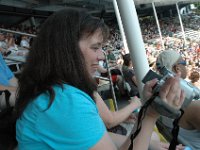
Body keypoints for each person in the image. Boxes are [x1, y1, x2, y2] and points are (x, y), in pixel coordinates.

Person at [15, 8, 184, 150]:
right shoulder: (65, 100)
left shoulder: (55, 92)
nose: (102, 55)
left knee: (153, 138)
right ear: (67, 50)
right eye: (95, 47)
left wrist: (151, 144)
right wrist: (151, 113)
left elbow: (102, 139)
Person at [156, 50, 200, 149]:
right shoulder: (193, 106)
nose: (186, 65)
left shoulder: (160, 101)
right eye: (184, 63)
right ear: (177, 68)